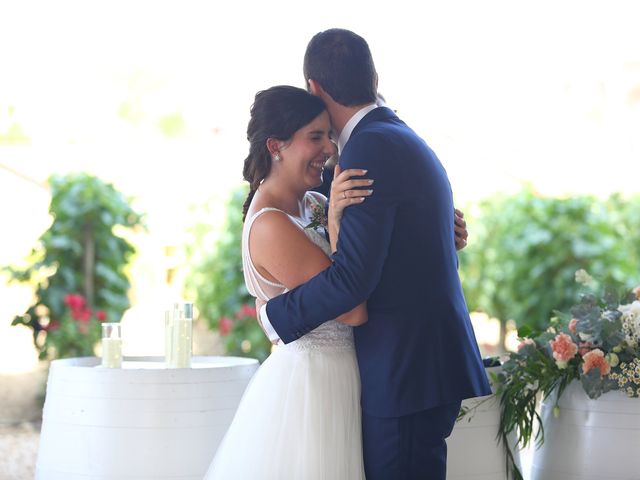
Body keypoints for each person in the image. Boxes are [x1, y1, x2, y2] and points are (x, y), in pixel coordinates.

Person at [259, 28, 491, 479]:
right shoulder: (396, 135)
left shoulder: (370, 149)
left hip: (404, 370)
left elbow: (353, 282)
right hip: (416, 366)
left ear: (314, 88)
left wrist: (274, 315)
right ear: (372, 76)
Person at [203, 85, 372, 479]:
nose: (329, 148)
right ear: (276, 146)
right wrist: (334, 226)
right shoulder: (271, 225)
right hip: (311, 387)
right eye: (315, 137)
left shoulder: (311, 203)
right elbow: (350, 306)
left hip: (341, 375)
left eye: (329, 135)